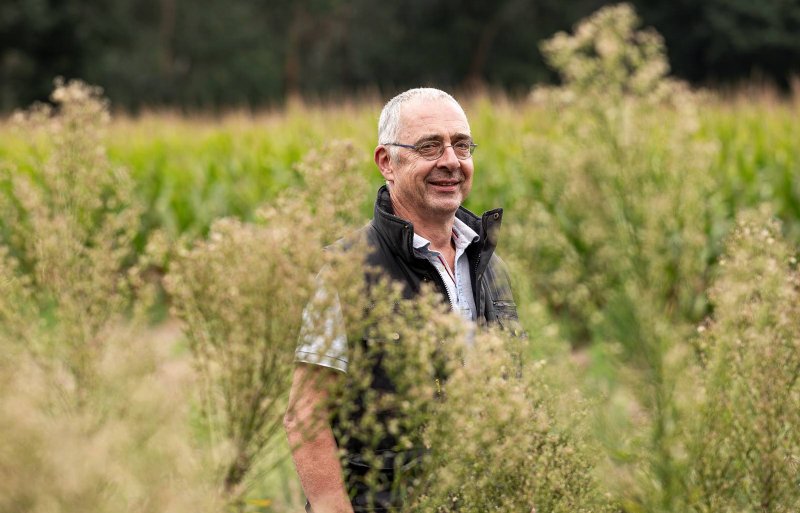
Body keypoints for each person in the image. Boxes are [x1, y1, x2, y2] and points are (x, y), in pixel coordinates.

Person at [283, 88, 520, 513]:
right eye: (430, 146)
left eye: (462, 145)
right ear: (386, 162)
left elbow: (513, 401)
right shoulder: (347, 272)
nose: (451, 161)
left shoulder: (493, 268)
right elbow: (305, 416)